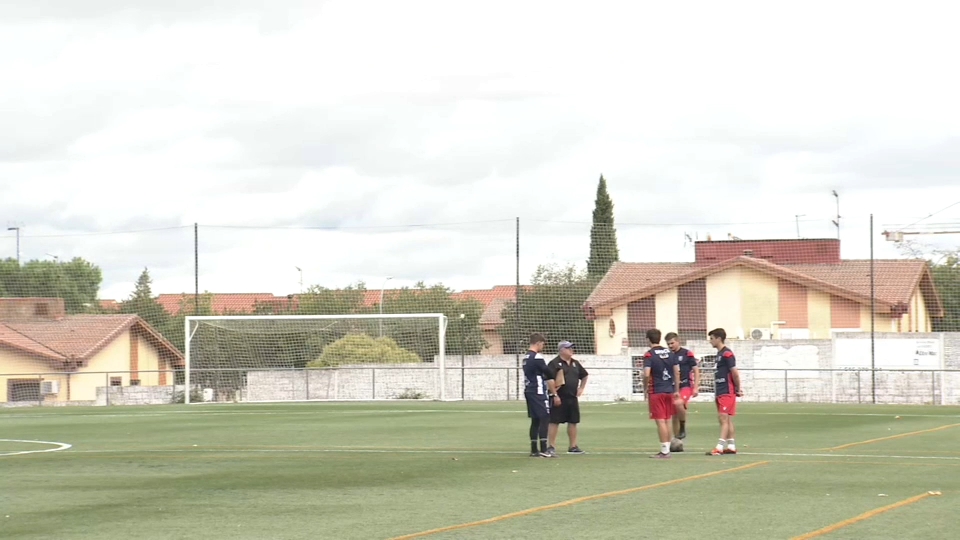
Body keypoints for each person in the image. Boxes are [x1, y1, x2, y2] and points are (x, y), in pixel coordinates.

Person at [642, 329, 680, 458]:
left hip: (656, 390)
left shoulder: (649, 355)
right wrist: (676, 390)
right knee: (667, 419)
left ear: (648, 339)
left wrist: (645, 387)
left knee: (660, 421)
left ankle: (664, 451)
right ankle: (667, 448)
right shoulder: (670, 353)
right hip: (669, 390)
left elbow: (646, 374)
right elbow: (676, 372)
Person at [546, 341, 588, 455]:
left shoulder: (575, 363)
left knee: (573, 421)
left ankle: (573, 446)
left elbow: (584, 375)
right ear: (562, 350)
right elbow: (549, 380)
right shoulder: (554, 363)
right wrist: (554, 395)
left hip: (572, 397)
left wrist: (581, 388)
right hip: (559, 397)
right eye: (568, 348)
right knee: (554, 421)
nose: (571, 350)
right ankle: (551, 446)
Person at [706, 328, 743, 456]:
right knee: (725, 419)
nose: (710, 341)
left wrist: (738, 388)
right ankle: (731, 446)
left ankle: (719, 447)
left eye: (711, 338)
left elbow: (734, 372)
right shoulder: (719, 354)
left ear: (718, 339)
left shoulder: (727, 354)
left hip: (727, 390)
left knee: (723, 417)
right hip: (720, 390)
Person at [522, 332, 556, 458]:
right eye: (542, 344)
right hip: (538, 390)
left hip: (528, 389)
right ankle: (543, 449)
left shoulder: (525, 357)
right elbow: (548, 372)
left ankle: (534, 449)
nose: (543, 346)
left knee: (535, 419)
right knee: (544, 417)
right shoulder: (537, 357)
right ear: (538, 343)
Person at [665, 332, 699, 440]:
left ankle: (683, 427)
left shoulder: (687, 354)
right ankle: (677, 441)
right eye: (668, 344)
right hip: (673, 387)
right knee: (674, 415)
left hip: (685, 385)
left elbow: (696, 370)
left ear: (678, 341)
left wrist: (696, 387)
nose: (670, 346)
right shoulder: (667, 355)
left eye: (672, 343)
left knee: (678, 403)